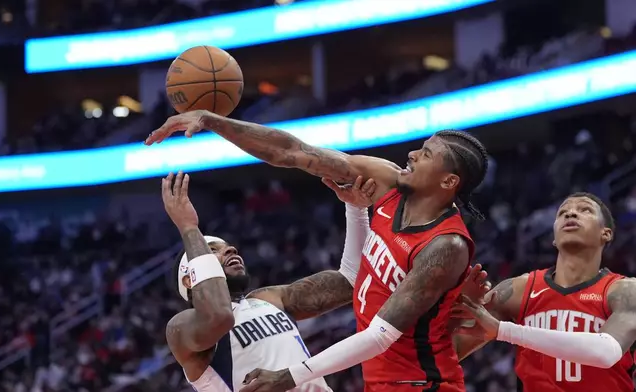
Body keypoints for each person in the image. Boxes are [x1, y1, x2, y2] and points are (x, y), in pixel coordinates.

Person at [146, 110, 490, 391]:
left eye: (426, 154)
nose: (412, 154)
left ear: (448, 182)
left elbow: (365, 311)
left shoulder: (446, 245)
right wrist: (213, 121)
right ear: (192, 275)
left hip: (420, 381)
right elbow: (293, 152)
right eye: (214, 250)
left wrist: (291, 375)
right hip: (384, 378)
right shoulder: (186, 328)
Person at [162, 170, 379, 391]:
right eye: (212, 251)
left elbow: (353, 280)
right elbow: (219, 316)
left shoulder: (268, 299)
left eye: (226, 245)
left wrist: (356, 209)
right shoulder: (182, 328)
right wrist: (189, 228)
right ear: (190, 280)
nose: (230, 249)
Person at [451, 192, 636, 391]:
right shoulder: (518, 289)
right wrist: (453, 311)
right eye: (562, 212)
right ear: (554, 238)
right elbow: (450, 352)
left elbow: (605, 352)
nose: (571, 214)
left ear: (605, 233)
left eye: (585, 210)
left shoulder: (624, 291)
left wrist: (505, 331)